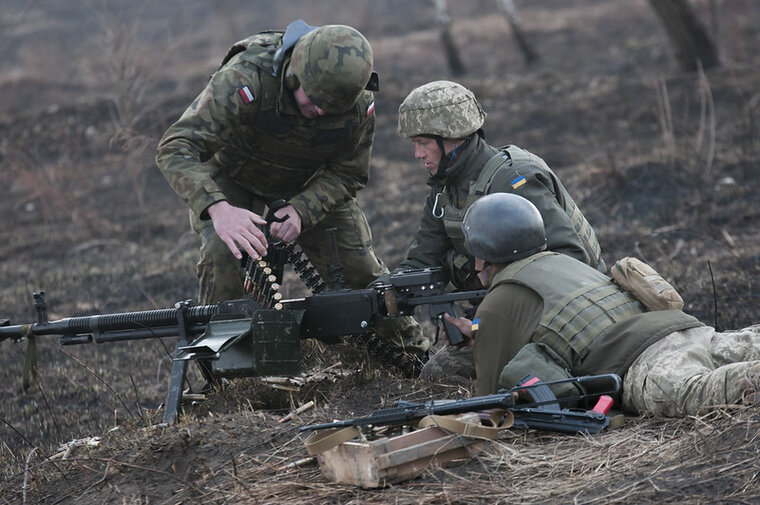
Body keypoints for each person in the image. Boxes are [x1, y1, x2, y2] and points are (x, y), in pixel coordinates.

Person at [155, 20, 428, 370]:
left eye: (332, 109)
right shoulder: (247, 78)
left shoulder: (358, 104)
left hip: (308, 182)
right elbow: (175, 147)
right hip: (233, 178)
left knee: (359, 269)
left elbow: (349, 173)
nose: (321, 113)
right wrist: (219, 210)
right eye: (314, 102)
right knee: (224, 260)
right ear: (294, 76)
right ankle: (226, 377)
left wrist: (302, 211)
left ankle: (414, 359)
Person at [441, 192, 760, 416]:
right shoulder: (562, 262)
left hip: (639, 364)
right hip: (683, 330)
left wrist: (484, 336)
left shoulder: (497, 301)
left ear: (484, 253)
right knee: (748, 342)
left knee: (708, 390)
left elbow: (489, 403)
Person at [394, 80, 604, 380]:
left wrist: (487, 326)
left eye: (423, 143)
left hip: (563, 314)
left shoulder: (513, 179)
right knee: (437, 374)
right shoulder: (445, 188)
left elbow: (570, 259)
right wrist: (388, 290)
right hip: (506, 312)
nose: (417, 154)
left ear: (451, 137)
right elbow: (424, 256)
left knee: (446, 376)